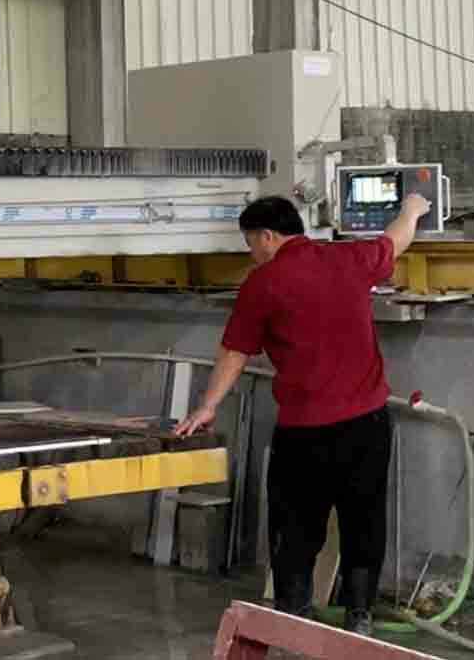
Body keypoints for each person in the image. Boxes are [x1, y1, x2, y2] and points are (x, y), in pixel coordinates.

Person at [174, 193, 431, 636]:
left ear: (267, 237)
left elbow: (235, 351)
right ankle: (360, 617)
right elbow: (395, 240)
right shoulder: (349, 258)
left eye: (250, 243)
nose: (251, 253)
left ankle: (293, 616)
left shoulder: (263, 283)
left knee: (295, 527)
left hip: (305, 432)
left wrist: (208, 406)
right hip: (366, 425)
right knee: (364, 521)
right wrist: (411, 208)